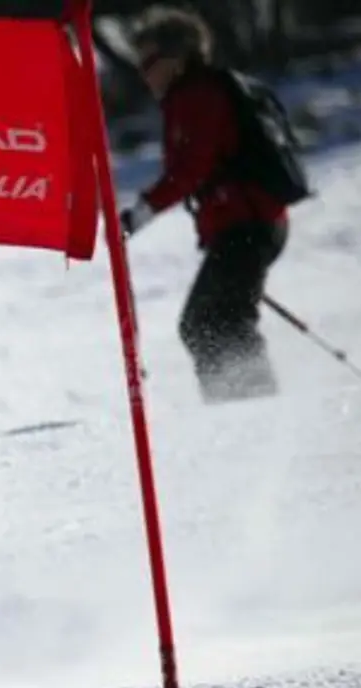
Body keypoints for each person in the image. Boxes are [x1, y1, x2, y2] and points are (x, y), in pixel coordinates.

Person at [118, 7, 296, 404]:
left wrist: (138, 214)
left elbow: (192, 168)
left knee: (212, 322)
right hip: (248, 224)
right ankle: (243, 406)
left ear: (178, 60)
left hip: (248, 223)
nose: (144, 74)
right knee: (211, 321)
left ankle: (251, 411)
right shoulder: (196, 94)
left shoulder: (198, 96)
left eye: (150, 62)